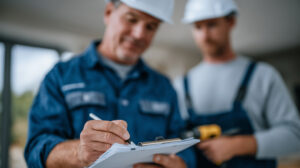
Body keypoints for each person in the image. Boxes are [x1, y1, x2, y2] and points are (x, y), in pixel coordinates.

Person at [24, 0, 196, 167]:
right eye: (131, 19)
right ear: (108, 12)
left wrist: (179, 164)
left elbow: (183, 143)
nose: (139, 34)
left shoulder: (164, 86)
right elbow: (36, 149)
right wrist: (78, 152)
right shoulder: (61, 76)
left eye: (150, 27)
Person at [173, 0, 300, 167]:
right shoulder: (180, 85)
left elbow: (295, 136)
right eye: (198, 27)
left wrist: (237, 145)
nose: (204, 35)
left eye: (211, 24)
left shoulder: (263, 76)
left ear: (231, 21)